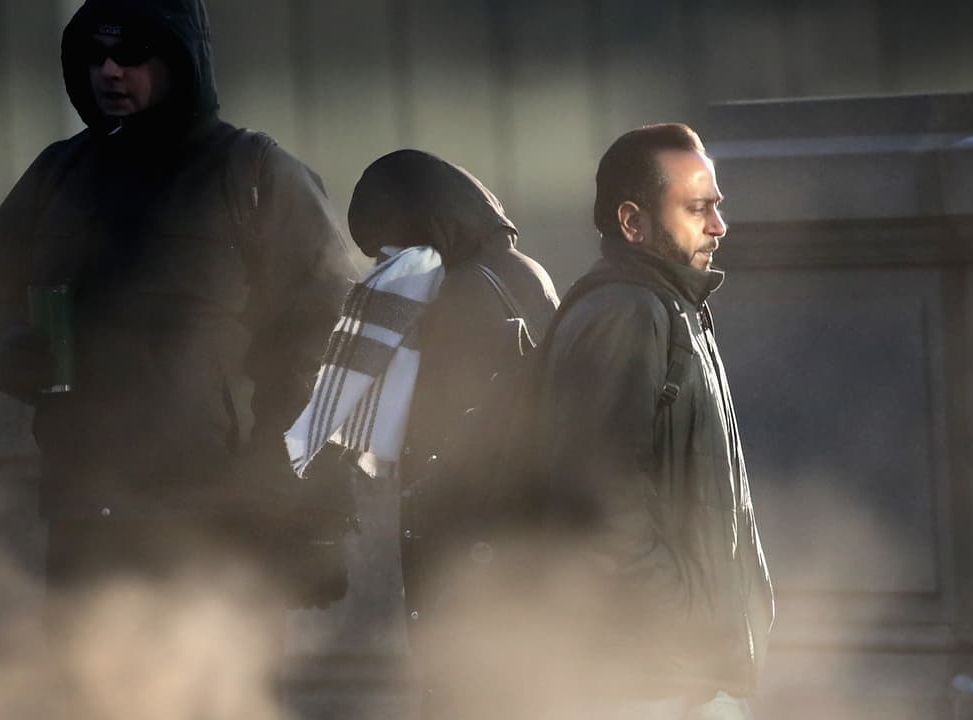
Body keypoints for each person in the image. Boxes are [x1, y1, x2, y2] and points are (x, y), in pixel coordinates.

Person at [0, 0, 357, 617]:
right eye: (95, 56)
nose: (110, 71)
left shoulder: (253, 172)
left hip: (218, 508)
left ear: (180, 60)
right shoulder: (59, 174)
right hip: (88, 507)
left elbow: (324, 328)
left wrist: (292, 489)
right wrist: (15, 351)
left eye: (132, 55)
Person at [283, 149, 559, 720]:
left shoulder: (455, 293)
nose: (386, 263)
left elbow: (438, 433)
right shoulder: (523, 271)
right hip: (525, 537)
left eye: (389, 245)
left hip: (470, 543)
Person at [533, 123, 774, 719]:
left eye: (716, 207)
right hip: (654, 683)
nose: (719, 226)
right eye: (698, 209)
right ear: (632, 222)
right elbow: (596, 501)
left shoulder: (676, 308)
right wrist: (683, 629)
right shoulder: (626, 313)